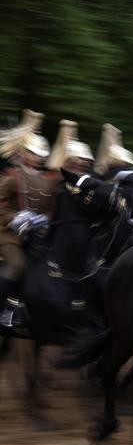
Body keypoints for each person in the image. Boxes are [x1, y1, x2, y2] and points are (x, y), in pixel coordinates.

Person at [0, 110, 61, 325]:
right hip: (8, 236)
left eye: (42, 154)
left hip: (34, 236)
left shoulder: (45, 180)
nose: (40, 158)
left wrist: (43, 220)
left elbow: (48, 208)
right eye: (35, 154)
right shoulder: (13, 177)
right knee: (18, 264)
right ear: (25, 154)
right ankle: (4, 309)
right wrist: (14, 218)